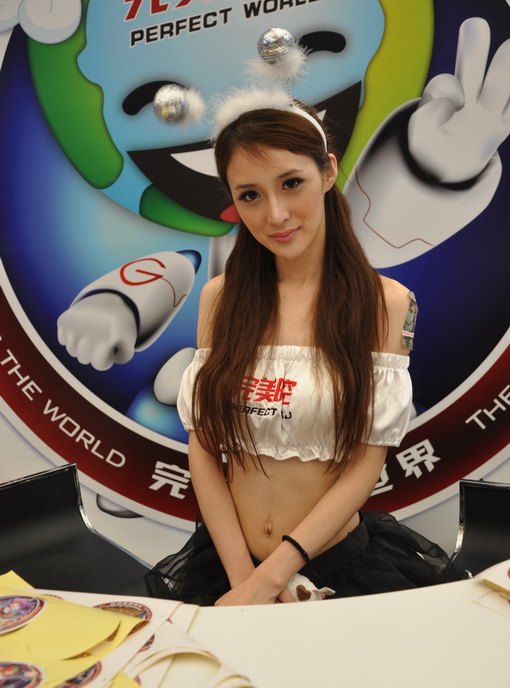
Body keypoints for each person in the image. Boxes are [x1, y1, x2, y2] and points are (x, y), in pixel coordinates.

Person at [146, 97, 466, 605]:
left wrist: (273, 577)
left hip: (336, 569)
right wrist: (243, 580)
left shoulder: (386, 303)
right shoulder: (220, 299)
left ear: (328, 172)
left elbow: (366, 462)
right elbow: (203, 448)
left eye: (291, 183)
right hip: (228, 567)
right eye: (250, 195)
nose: (275, 214)